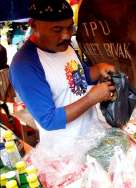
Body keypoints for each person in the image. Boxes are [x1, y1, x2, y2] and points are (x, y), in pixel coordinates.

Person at [9, 0, 116, 146]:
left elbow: (80, 80)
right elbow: (49, 120)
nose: (66, 35)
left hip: (92, 135)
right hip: (65, 151)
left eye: (70, 27)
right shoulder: (24, 65)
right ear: (33, 25)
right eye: (57, 29)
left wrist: (98, 69)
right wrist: (91, 98)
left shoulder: (66, 46)